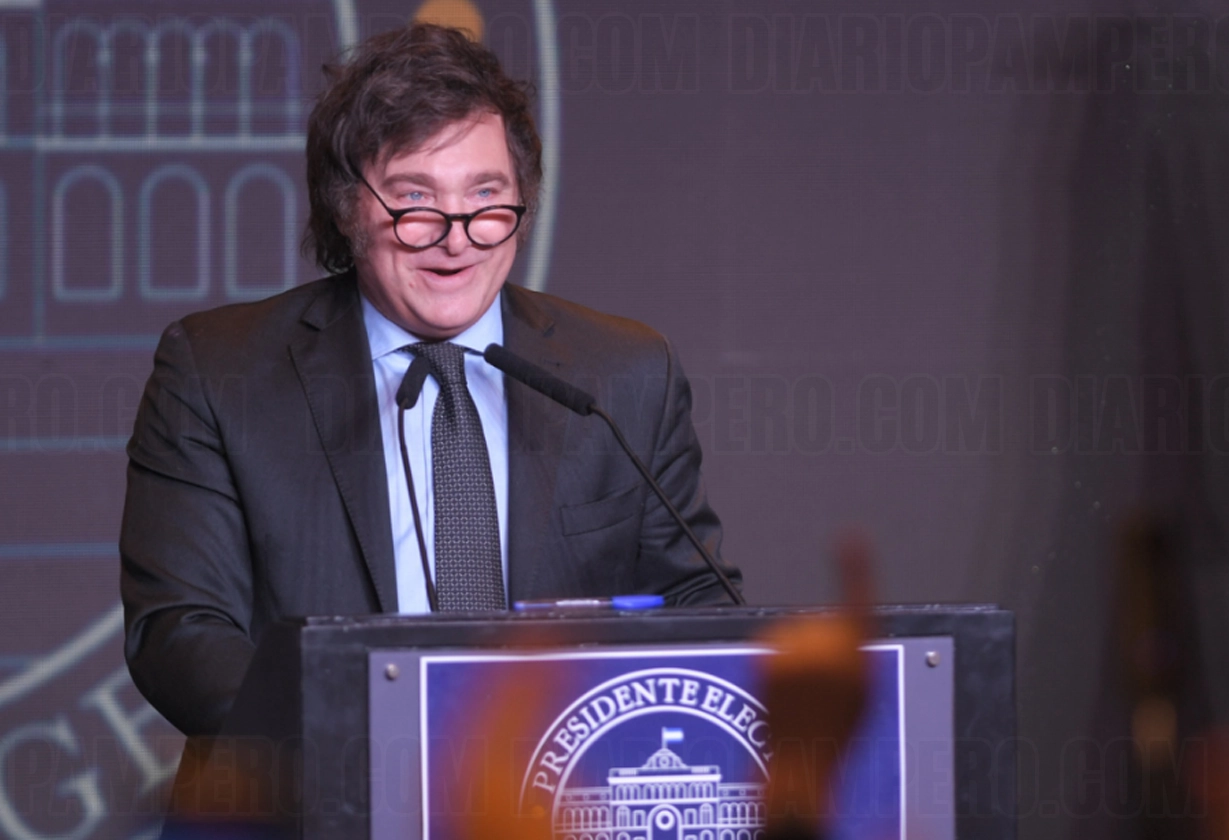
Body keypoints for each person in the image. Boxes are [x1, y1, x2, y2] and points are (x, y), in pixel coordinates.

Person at [120, 23, 741, 738]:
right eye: (415, 199)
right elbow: (181, 633)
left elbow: (698, 605)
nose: (456, 236)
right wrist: (370, 744)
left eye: (486, 196)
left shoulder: (625, 374)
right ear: (346, 206)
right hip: (322, 781)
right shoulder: (217, 370)